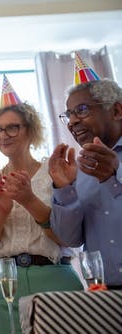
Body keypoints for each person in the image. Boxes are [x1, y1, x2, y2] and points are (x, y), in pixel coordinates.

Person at [0, 91, 83, 333]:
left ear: (31, 130)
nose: (3, 135)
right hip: (4, 284)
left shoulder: (54, 172)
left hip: (54, 277)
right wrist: (1, 213)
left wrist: (29, 200)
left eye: (12, 128)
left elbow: (69, 238)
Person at [49, 78, 122, 289]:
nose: (72, 122)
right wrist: (64, 189)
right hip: (102, 293)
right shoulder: (81, 168)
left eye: (81, 110)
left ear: (116, 111)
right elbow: (70, 239)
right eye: (69, 114)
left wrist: (112, 180)